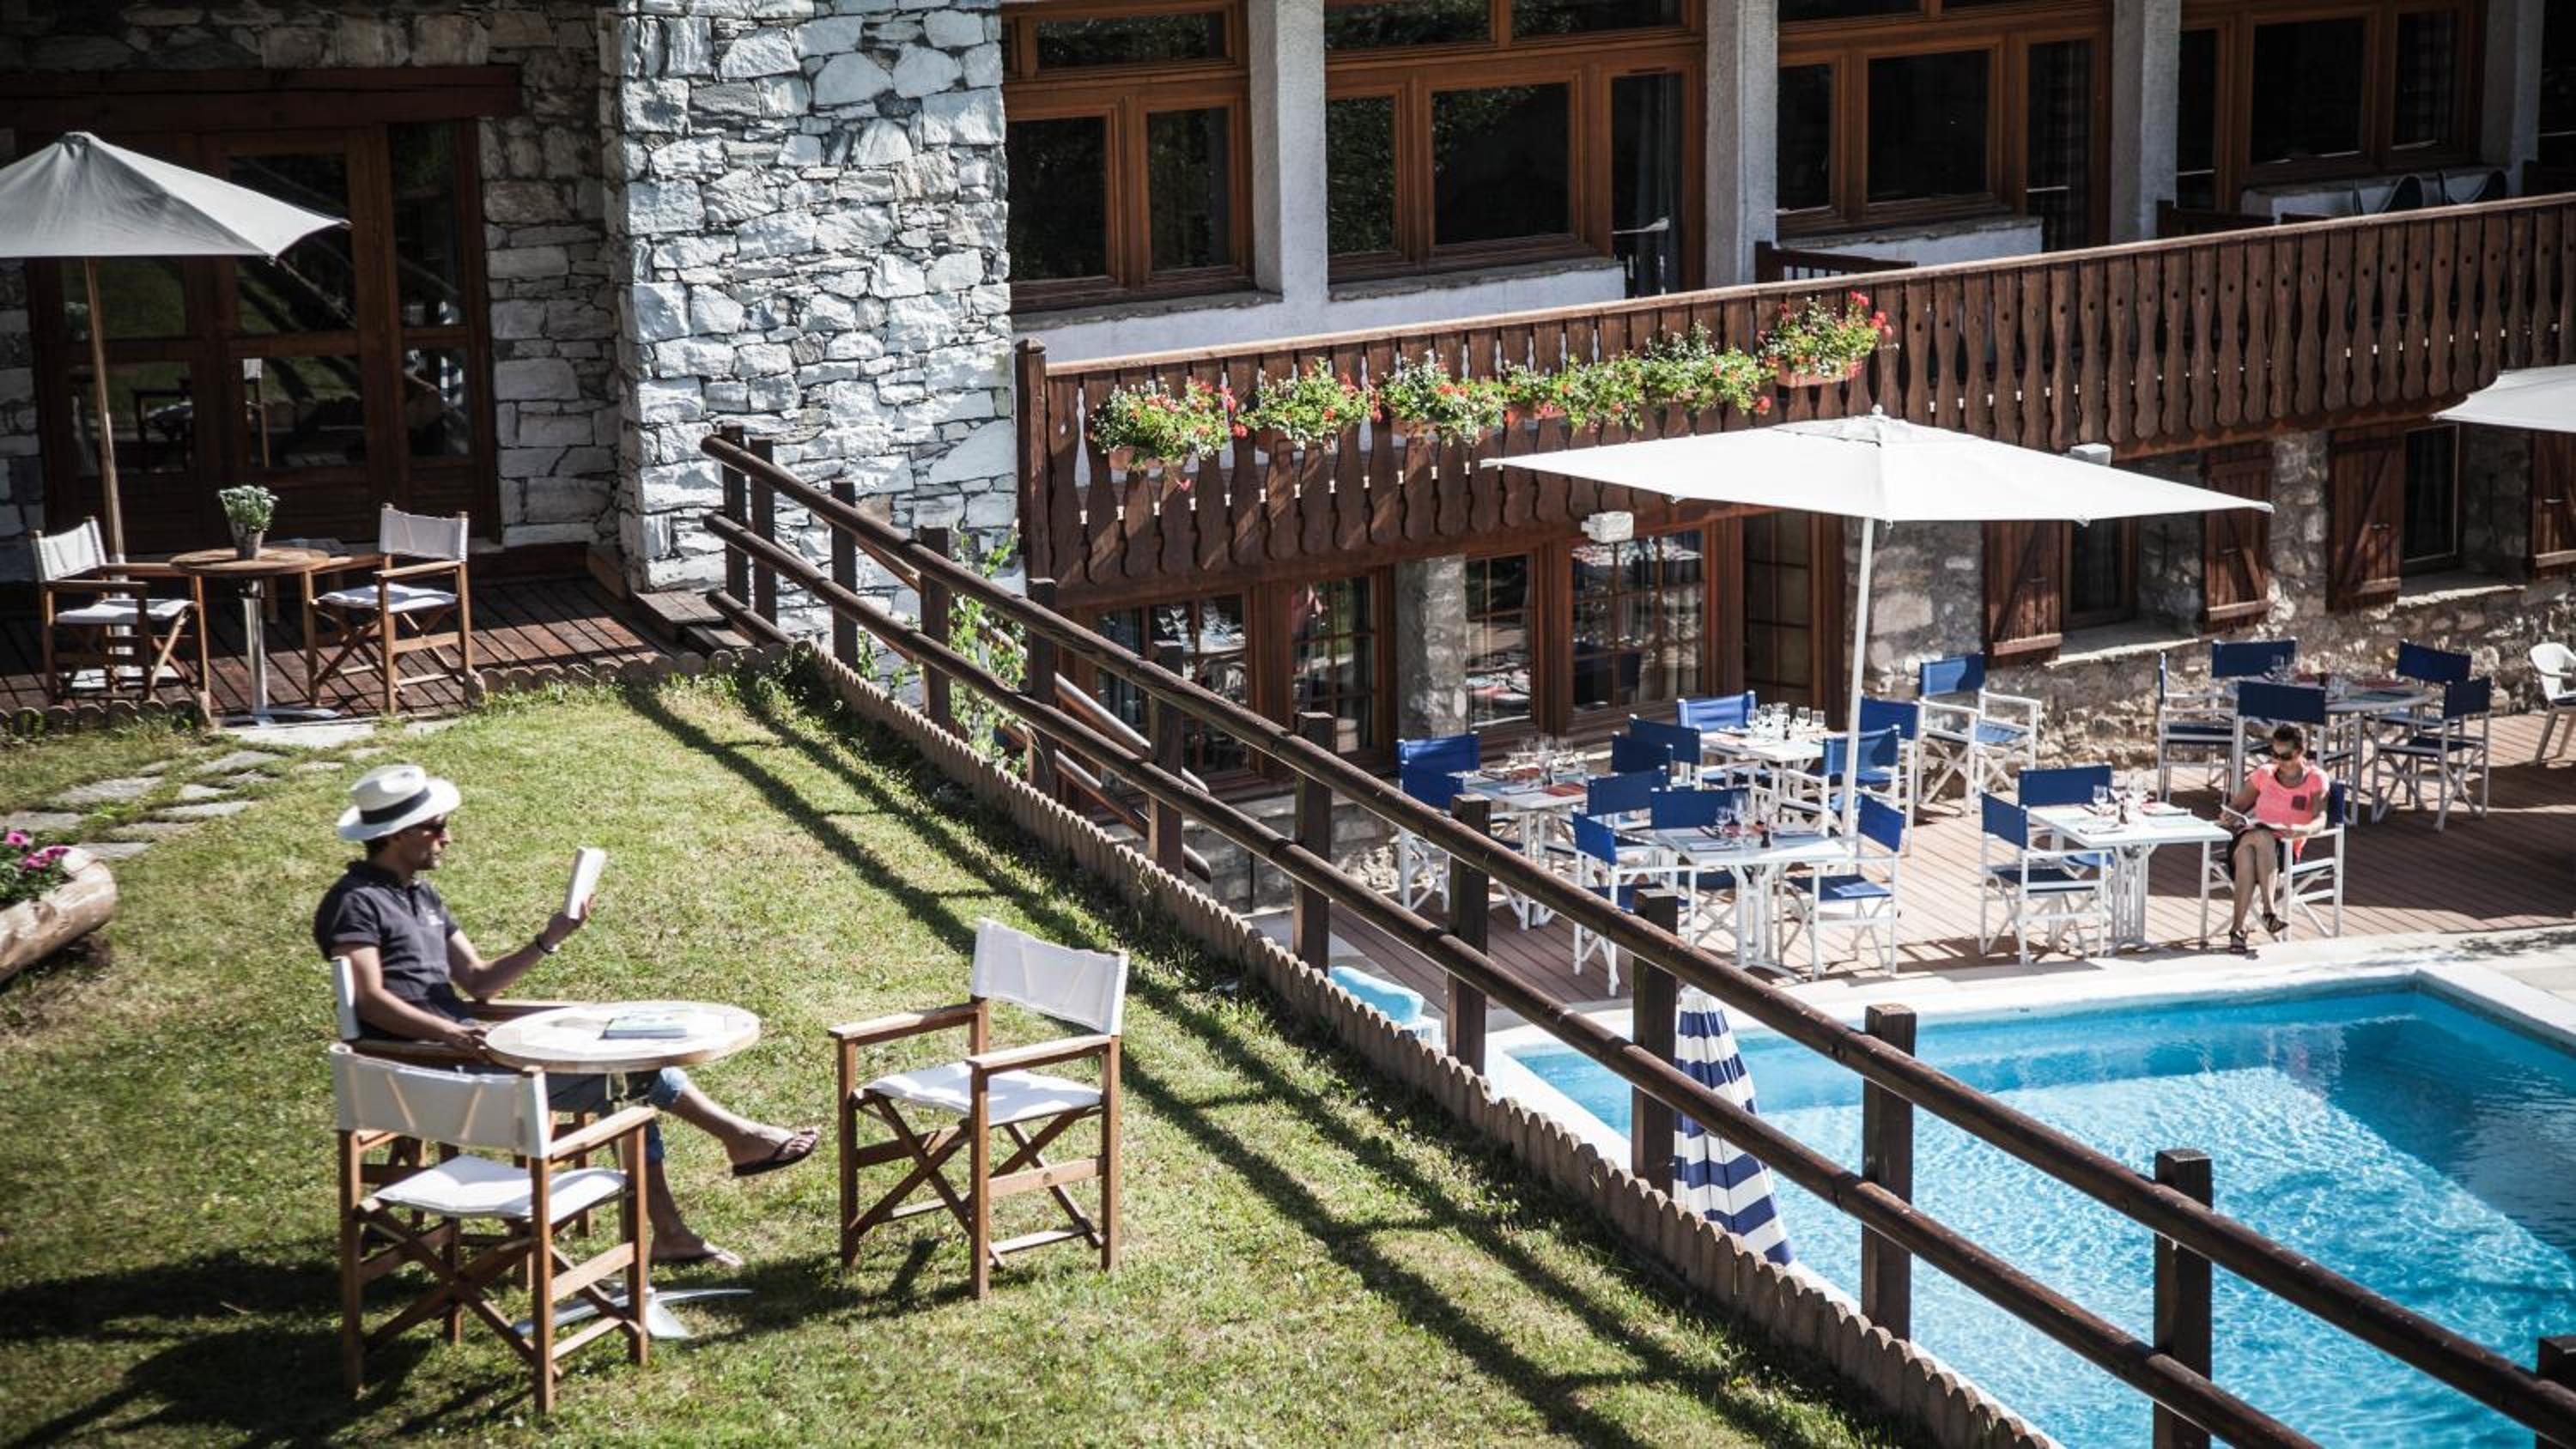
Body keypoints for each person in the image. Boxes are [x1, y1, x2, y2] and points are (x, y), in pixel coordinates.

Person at [315, 763, 817, 1269]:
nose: (448, 838)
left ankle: (703, 1190)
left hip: (471, 1051)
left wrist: (552, 936)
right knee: (630, 1081)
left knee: (630, 1071)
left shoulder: (421, 896)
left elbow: (480, 982)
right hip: (432, 1070)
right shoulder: (355, 903)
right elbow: (369, 999)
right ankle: (713, 1175)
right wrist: (451, 1033)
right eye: (437, 827)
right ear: (398, 835)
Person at [2221, 723, 2331, 953]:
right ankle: (2269, 911)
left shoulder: (2316, 779)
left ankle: (2237, 931)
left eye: (2286, 756)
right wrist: (2229, 814)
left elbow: (2321, 820)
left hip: (2284, 850)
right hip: (2249, 836)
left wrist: (2302, 830)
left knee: (2249, 855)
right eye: (2274, 754)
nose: (2279, 760)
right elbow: (2238, 804)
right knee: (2261, 836)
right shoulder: (2265, 773)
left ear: (2300, 751)